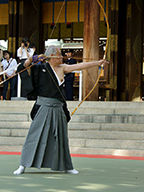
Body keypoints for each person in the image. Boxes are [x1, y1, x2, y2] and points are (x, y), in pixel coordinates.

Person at [13, 45, 108, 175]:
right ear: (51, 57)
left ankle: (67, 166)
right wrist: (33, 58)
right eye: (59, 54)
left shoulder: (62, 68)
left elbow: (80, 66)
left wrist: (97, 62)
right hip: (43, 107)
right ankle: (23, 165)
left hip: (58, 108)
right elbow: (23, 67)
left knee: (62, 137)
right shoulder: (39, 68)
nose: (62, 56)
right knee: (34, 136)